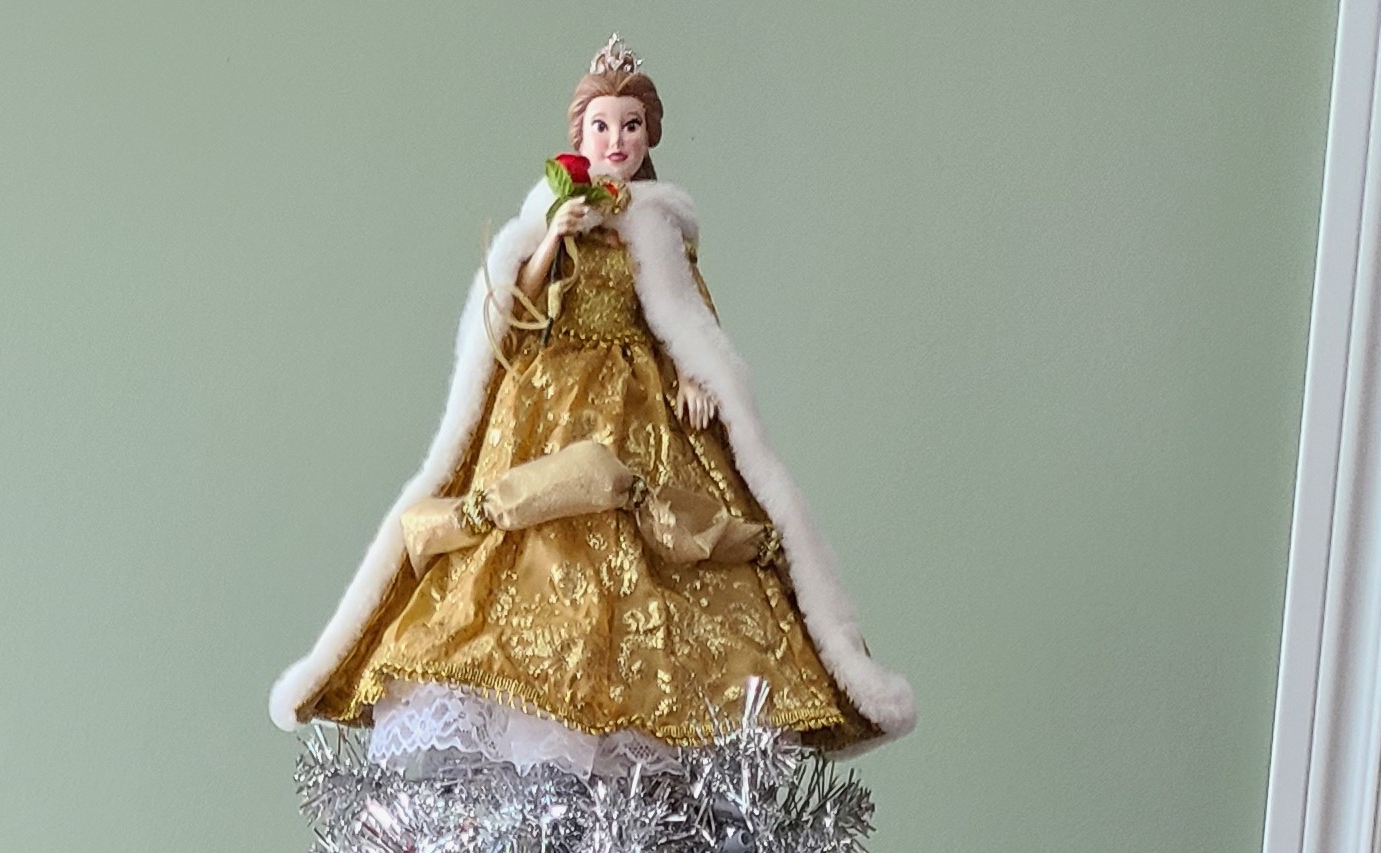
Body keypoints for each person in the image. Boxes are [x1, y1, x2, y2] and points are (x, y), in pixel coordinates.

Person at [269, 44, 914, 769]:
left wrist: (693, 376)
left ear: (648, 138)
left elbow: (687, 315)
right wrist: (554, 235)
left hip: (642, 408)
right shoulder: (554, 213)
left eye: (631, 126)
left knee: (658, 553)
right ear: (580, 135)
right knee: (535, 548)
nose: (617, 141)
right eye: (603, 126)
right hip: (549, 401)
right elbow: (518, 308)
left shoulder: (660, 225)